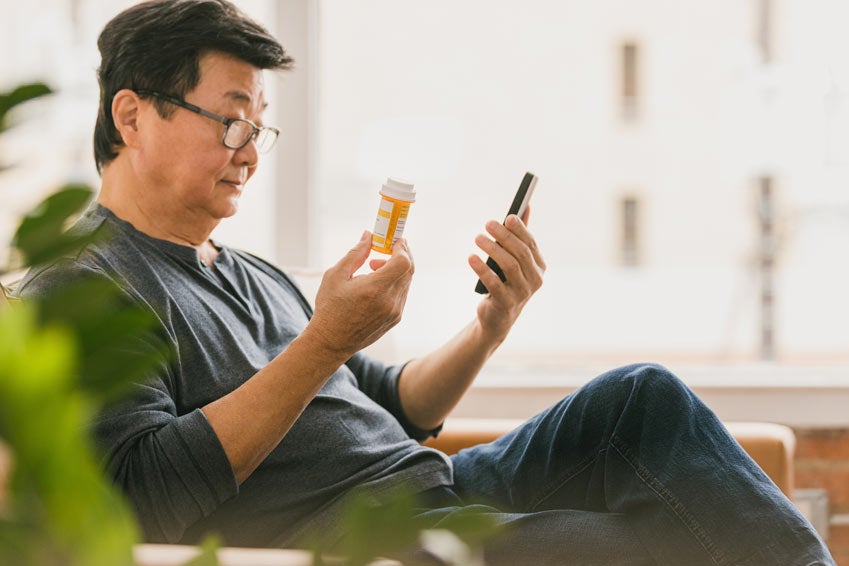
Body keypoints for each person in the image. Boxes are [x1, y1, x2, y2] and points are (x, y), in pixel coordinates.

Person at [16, 1, 833, 564]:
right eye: (230, 119)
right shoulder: (83, 286)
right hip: (370, 537)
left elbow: (391, 405)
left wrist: (490, 327)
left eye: (259, 125)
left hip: (435, 488)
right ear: (131, 116)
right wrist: (323, 338)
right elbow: (140, 498)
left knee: (640, 396)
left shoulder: (254, 273)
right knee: (666, 545)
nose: (251, 149)